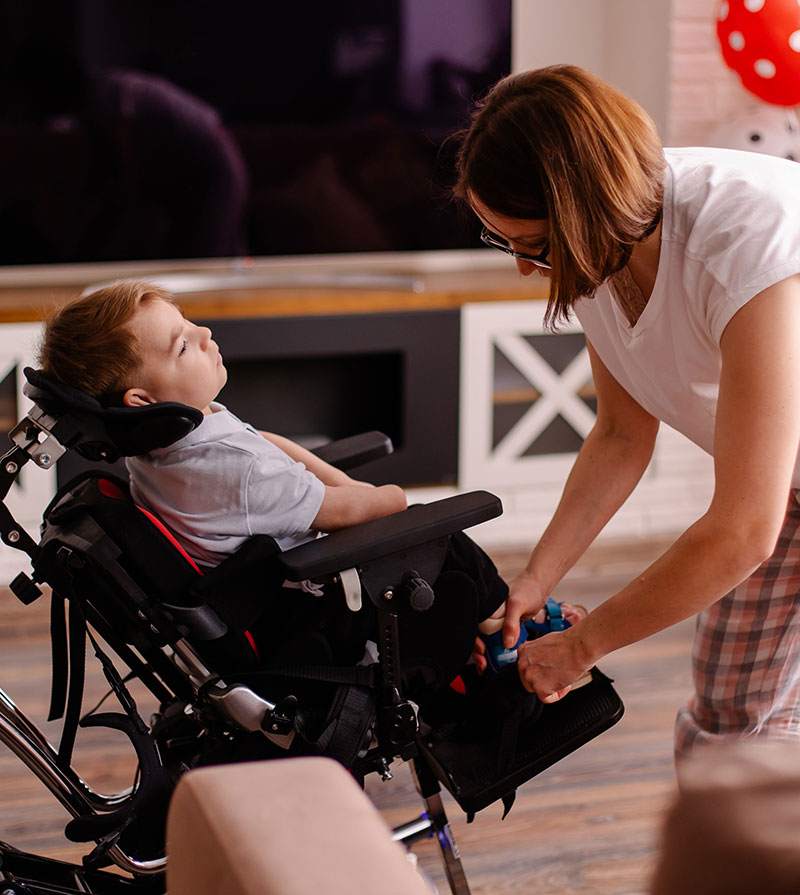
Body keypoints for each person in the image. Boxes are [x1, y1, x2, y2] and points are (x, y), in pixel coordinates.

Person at [455, 64, 800, 759]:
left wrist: (584, 644)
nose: (525, 268)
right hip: (780, 485)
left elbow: (741, 530)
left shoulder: (748, 243)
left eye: (533, 244)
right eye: (504, 242)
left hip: (762, 505)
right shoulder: (595, 251)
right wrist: (535, 578)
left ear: (588, 210)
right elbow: (619, 433)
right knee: (729, 722)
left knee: (752, 739)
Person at [37, 280, 520, 696]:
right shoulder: (237, 472)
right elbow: (359, 507)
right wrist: (387, 498)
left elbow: (266, 442)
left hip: (275, 588)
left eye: (190, 324)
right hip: (312, 605)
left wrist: (345, 486)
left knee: (420, 544)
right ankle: (512, 631)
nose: (205, 334)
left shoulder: (164, 446)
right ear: (142, 400)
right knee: (440, 536)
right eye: (182, 345)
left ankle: (483, 630)